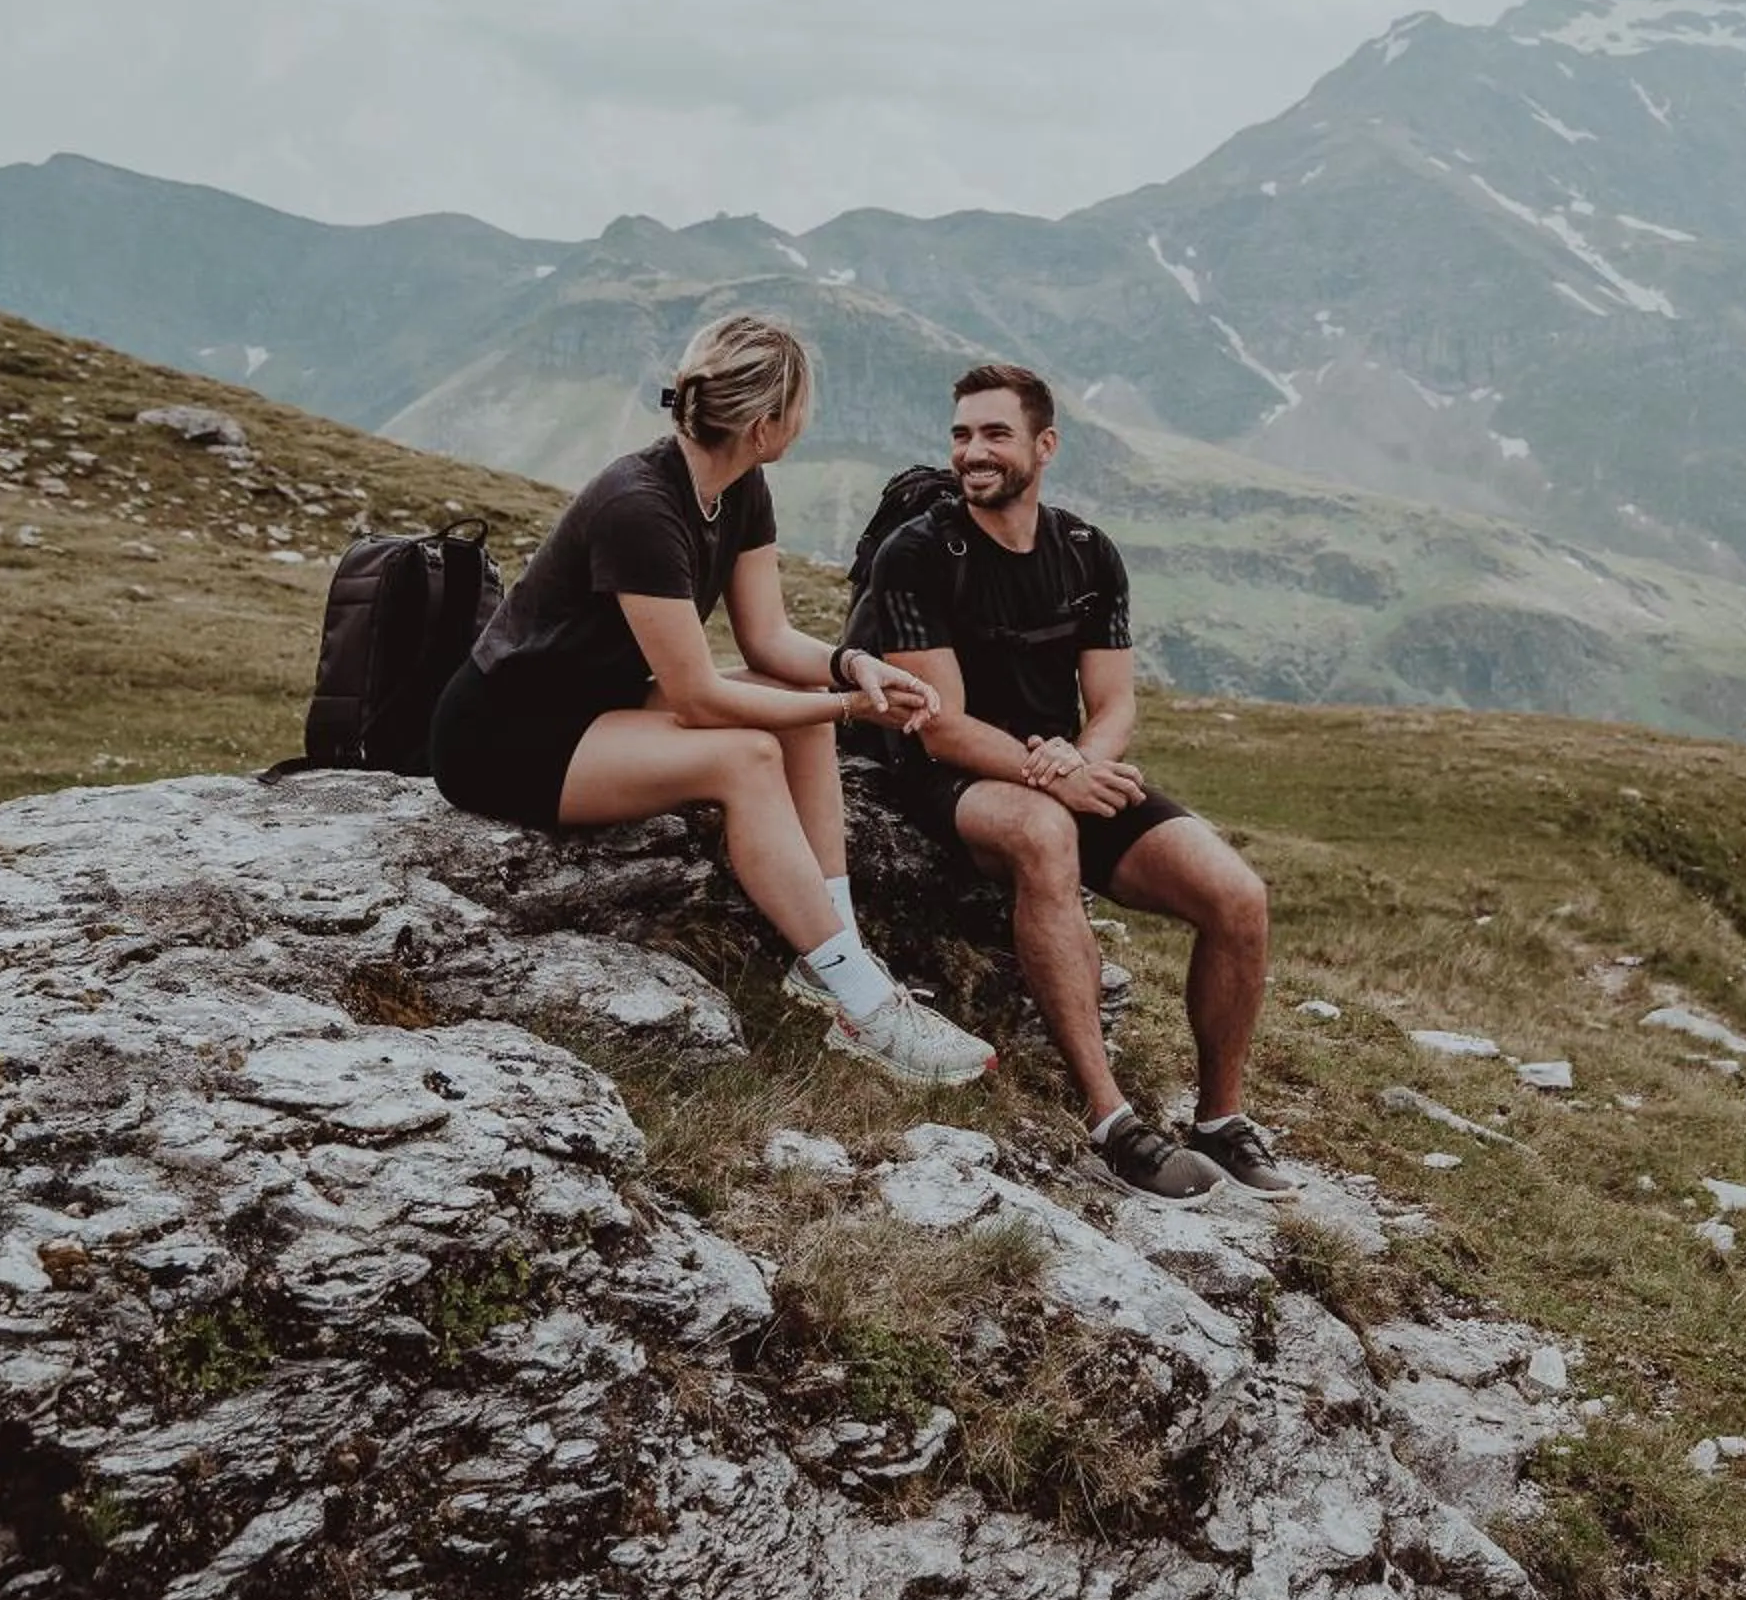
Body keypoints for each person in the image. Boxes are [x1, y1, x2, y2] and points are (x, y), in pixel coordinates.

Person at [430, 311, 995, 1087]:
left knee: (797, 699)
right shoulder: (640, 505)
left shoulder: (738, 485)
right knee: (747, 756)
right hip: (507, 737)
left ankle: (833, 959)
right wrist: (847, 711)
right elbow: (697, 699)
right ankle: (868, 1009)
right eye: (800, 409)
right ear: (764, 426)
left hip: (597, 709)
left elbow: (768, 640)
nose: (805, 424)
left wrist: (851, 666)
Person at [855, 363, 1292, 1205]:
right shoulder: (917, 553)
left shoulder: (1088, 553)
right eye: (961, 435)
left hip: (1063, 768)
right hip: (947, 775)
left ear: (1045, 446)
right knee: (1045, 833)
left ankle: (1219, 1121)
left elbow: (1116, 701)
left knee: (1238, 897)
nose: (972, 452)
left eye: (995, 434)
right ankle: (1110, 1119)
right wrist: (1053, 775)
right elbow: (938, 723)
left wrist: (1081, 763)